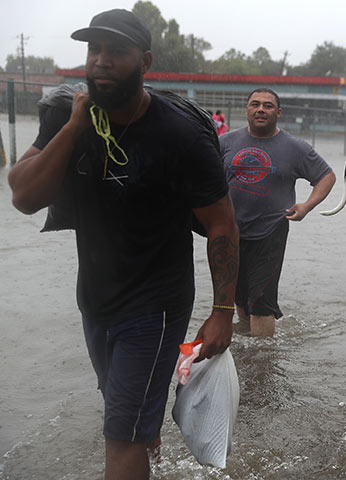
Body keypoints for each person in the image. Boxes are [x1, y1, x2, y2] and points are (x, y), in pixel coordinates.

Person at [8, 9, 239, 480]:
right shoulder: (64, 115)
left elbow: (222, 224)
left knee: (120, 435)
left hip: (155, 305)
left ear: (145, 60)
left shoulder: (181, 133)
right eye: (94, 51)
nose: (102, 62)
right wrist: (74, 128)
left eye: (116, 52)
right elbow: (23, 196)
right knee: (128, 416)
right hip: (95, 300)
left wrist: (222, 312)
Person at [220, 88, 336, 336]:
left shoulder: (294, 147)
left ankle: (262, 362)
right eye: (255, 104)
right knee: (239, 298)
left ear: (279, 112)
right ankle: (246, 356)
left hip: (271, 231)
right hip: (231, 230)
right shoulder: (226, 142)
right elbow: (204, 177)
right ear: (247, 110)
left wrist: (306, 206)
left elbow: (327, 176)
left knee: (261, 302)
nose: (260, 109)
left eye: (268, 106)